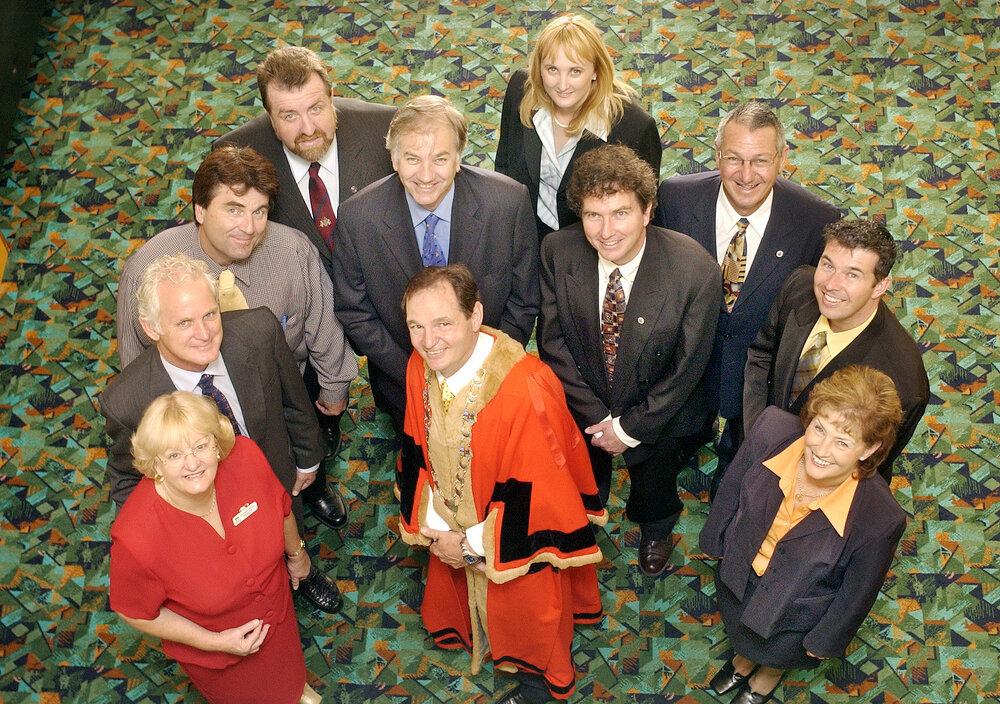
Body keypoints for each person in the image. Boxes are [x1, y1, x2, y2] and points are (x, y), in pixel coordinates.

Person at [116, 145, 356, 530]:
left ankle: (314, 490)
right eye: (233, 209)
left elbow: (323, 325)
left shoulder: (292, 251)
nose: (249, 226)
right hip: (199, 406)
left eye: (258, 211)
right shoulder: (148, 271)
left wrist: (333, 388)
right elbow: (136, 366)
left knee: (302, 450)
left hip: (285, 388)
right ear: (199, 210)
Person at [397, 265, 606, 704]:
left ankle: (536, 684)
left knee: (529, 610)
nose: (428, 340)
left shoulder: (523, 389)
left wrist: (470, 545)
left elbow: (539, 497)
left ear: (475, 315)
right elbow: (417, 436)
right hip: (452, 515)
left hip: (511, 532)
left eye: (442, 323)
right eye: (416, 326)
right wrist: (436, 521)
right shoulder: (420, 364)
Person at [101, 254, 342, 613]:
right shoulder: (127, 402)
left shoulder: (259, 330)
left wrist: (309, 460)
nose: (204, 333)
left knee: (287, 527)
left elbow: (294, 402)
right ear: (152, 329)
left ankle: (301, 570)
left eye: (209, 314)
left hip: (275, 473)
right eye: (184, 322)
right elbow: (126, 480)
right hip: (203, 506)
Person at [537, 144, 721, 578]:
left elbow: (686, 369)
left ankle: (656, 529)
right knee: (582, 470)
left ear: (647, 210)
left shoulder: (694, 270)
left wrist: (628, 429)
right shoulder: (557, 252)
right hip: (585, 404)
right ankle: (588, 509)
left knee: (655, 481)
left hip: (659, 412)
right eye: (593, 215)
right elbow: (553, 342)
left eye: (620, 213)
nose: (606, 232)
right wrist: (599, 417)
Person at [655, 101, 841, 497]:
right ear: (717, 153)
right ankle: (693, 433)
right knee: (683, 420)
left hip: (758, 365)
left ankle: (732, 457)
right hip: (688, 354)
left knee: (743, 441)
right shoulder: (674, 198)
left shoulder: (815, 220)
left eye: (760, 161)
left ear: (782, 158)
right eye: (734, 159)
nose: (745, 175)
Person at [700, 366, 906, 704]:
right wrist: (714, 538)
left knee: (776, 650)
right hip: (740, 572)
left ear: (868, 450)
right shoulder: (770, 429)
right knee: (739, 626)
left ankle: (765, 678)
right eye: (819, 428)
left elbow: (857, 593)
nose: (821, 450)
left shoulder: (881, 519)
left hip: (793, 611)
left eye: (843, 441)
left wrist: (825, 640)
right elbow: (733, 485)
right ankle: (743, 660)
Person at [332, 95, 539, 433]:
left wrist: (484, 366)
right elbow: (355, 311)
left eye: (440, 158)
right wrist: (413, 373)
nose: (426, 175)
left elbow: (524, 299)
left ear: (459, 157)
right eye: (413, 158)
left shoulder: (508, 204)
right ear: (395, 159)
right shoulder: (358, 218)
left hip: (488, 378)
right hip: (402, 381)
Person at [109, 392, 322, 704]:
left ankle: (294, 689)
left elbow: (282, 508)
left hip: (278, 616)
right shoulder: (136, 536)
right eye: (173, 455)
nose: (193, 463)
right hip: (222, 659)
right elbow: (135, 611)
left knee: (288, 676)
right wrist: (214, 642)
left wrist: (297, 554)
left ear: (215, 443)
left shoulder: (245, 458)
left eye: (200, 445)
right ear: (155, 463)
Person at [744, 218, 930, 483]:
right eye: (827, 265)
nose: (831, 284)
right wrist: (757, 432)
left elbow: (871, 463)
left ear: (880, 286)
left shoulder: (903, 381)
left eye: (852, 274)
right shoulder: (799, 286)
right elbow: (761, 355)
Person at [216, 45, 396, 279]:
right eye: (289, 115)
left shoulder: (384, 129)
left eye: (316, 108)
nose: (308, 129)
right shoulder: (237, 153)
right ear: (271, 117)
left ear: (331, 98)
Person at [495, 13, 661, 238]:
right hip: (527, 233)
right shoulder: (520, 89)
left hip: (591, 245)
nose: (562, 85)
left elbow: (642, 212)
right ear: (539, 67)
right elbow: (504, 168)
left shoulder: (635, 127)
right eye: (552, 69)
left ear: (596, 71)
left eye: (575, 71)